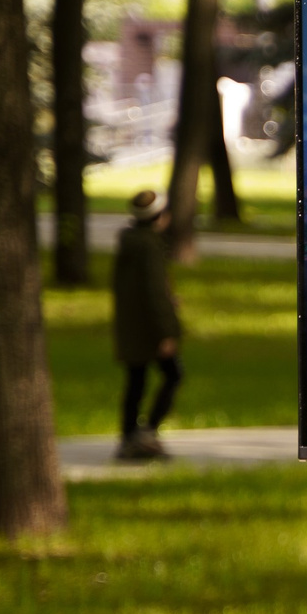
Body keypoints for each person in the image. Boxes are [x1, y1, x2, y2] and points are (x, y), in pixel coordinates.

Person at [112, 190, 182, 461]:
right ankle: (146, 432)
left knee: (136, 381)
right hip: (150, 329)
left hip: (131, 326)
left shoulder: (128, 241)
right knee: (173, 375)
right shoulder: (150, 245)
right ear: (159, 216)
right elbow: (154, 292)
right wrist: (167, 332)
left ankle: (130, 435)